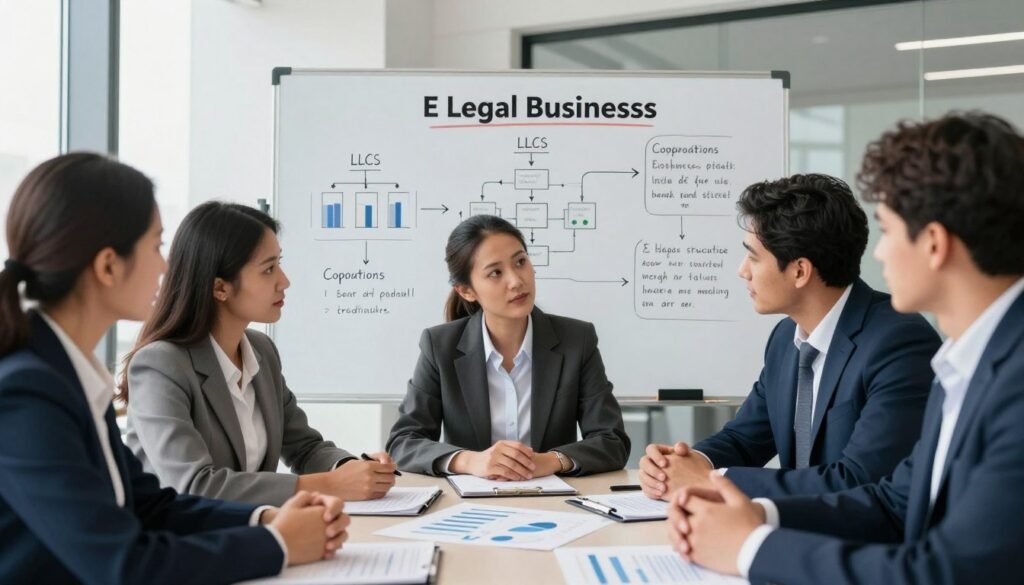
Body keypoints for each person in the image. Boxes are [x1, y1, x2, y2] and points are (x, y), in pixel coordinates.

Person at [666, 112, 1024, 584]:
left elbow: (946, 571)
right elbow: (894, 504)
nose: (877, 253)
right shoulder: (967, 364)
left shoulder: (1009, 381)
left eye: (889, 230)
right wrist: (757, 519)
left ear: (934, 244)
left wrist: (751, 549)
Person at [0, 153, 349, 585]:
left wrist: (267, 518)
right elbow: (124, 566)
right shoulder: (27, 394)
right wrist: (277, 545)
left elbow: (151, 506)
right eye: (156, 246)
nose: (166, 266)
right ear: (109, 265)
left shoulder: (70, 375)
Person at [640, 173, 940, 500]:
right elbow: (744, 439)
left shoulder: (899, 343)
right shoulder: (786, 338)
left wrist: (709, 481)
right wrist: (684, 463)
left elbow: (859, 481)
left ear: (799, 271)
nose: (743, 271)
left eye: (753, 257)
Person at [122, 201, 396, 506]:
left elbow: (304, 447)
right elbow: (195, 485)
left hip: (247, 532)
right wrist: (331, 484)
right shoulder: (161, 365)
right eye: (268, 269)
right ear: (219, 288)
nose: (284, 281)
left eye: (279, 263)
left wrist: (350, 469)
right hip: (179, 543)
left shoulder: (261, 351)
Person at [386, 214, 630, 478]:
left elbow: (612, 441)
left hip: (555, 504)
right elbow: (403, 442)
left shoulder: (577, 340)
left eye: (520, 262)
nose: (516, 280)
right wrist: (469, 461)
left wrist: (552, 461)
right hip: (468, 507)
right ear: (466, 291)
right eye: (495, 273)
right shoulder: (440, 346)